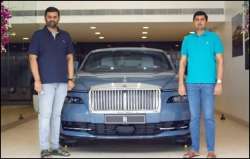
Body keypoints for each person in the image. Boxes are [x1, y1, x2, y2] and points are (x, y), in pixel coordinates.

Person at [28, 7, 75, 158]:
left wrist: (70, 78)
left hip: (62, 82)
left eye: (55, 17)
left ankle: (55, 147)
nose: (52, 19)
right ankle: (44, 148)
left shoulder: (65, 35)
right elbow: (32, 58)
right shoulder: (38, 35)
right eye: (49, 17)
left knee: (56, 116)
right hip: (45, 83)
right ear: (45, 18)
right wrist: (37, 80)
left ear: (58, 18)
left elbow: (69, 58)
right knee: (45, 115)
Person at [178, 11, 224, 158]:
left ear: (206, 21)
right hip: (191, 84)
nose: (199, 21)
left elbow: (220, 61)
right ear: (193, 22)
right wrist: (181, 83)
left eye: (202, 19)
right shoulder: (187, 39)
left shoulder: (214, 38)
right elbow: (183, 62)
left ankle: (211, 150)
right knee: (194, 118)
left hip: (209, 84)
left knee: (209, 117)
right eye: (197, 19)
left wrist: (219, 82)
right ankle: (195, 149)